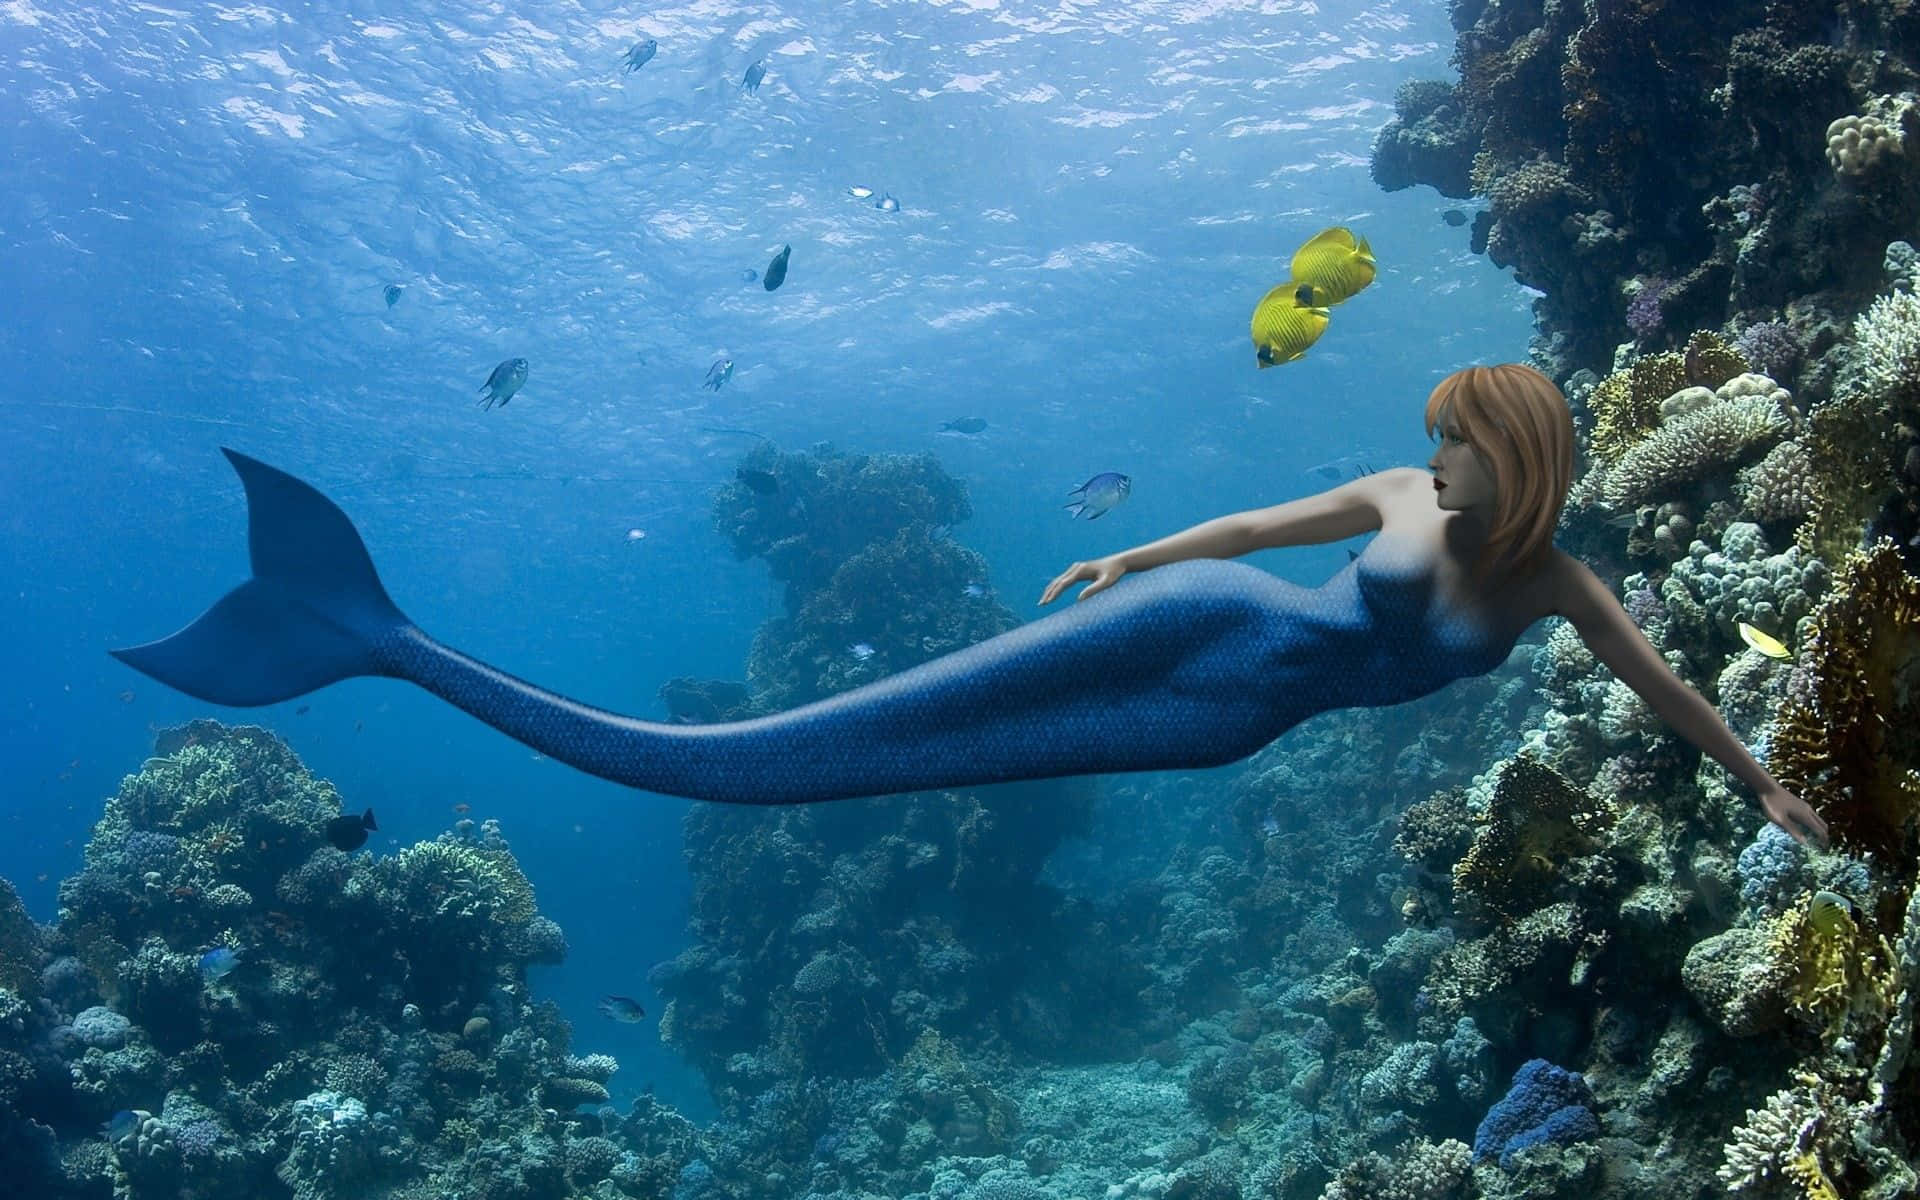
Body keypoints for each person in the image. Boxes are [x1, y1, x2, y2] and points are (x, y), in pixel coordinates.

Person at [111, 364, 1828, 846]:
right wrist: (1133, 556)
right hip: (1198, 628)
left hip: (1224, 721)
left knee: (814, 772)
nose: (1428, 466)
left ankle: (356, 633)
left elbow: (1671, 693)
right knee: (752, 753)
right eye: (1432, 444)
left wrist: (1761, 782)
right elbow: (1254, 518)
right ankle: (370, 636)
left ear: (1512, 466)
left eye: (1456, 450)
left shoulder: (1560, 589)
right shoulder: (1389, 498)